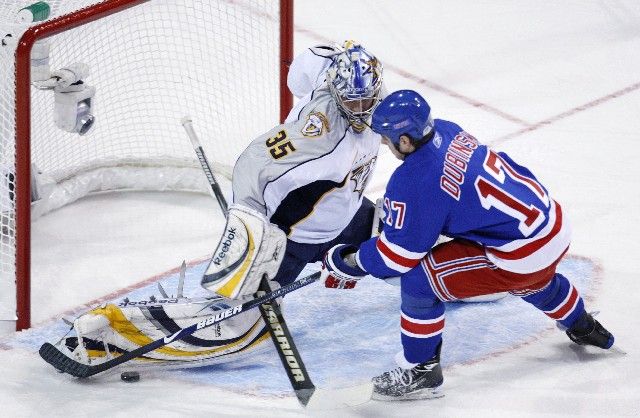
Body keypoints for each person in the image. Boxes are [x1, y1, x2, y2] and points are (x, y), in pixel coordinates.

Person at [320, 89, 615, 400]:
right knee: (536, 280)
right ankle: (582, 324)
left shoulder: (414, 180)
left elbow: (398, 257)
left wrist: (350, 262)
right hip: (551, 223)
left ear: (404, 140)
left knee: (422, 280)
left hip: (522, 253)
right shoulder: (448, 129)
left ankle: (421, 370)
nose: (384, 143)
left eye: (387, 138)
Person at [201, 41, 386, 299]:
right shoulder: (319, 135)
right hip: (296, 234)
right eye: (352, 102)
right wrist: (246, 221)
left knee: (402, 246)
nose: (362, 109)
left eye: (367, 100)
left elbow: (301, 75)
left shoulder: (351, 79)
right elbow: (254, 162)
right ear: (335, 91)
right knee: (244, 310)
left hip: (346, 213)